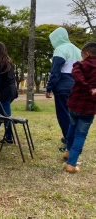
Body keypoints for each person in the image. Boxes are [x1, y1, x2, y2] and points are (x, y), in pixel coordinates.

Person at [62, 42, 96, 173]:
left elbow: (77, 76)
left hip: (74, 105)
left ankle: (68, 152)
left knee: (72, 128)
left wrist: (86, 87)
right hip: (89, 108)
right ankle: (71, 164)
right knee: (80, 135)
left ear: (86, 54)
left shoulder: (80, 65)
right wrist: (91, 90)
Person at [46, 27, 81, 147]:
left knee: (63, 115)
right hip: (77, 87)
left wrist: (49, 88)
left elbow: (55, 72)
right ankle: (72, 138)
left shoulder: (60, 50)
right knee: (73, 114)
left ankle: (68, 141)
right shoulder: (78, 50)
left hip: (63, 87)